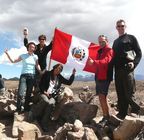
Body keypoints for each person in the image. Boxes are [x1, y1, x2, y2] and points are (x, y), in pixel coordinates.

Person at [29, 63, 76, 132]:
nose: (58, 70)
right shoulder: (47, 73)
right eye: (57, 68)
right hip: (43, 93)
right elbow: (41, 84)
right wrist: (44, 92)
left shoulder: (59, 77)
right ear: (54, 68)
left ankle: (44, 122)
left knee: (50, 104)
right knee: (45, 101)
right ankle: (33, 114)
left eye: (60, 70)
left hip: (53, 96)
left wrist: (73, 74)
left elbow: (69, 82)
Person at [112, 19, 142, 119]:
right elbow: (113, 57)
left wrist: (134, 63)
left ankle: (135, 111)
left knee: (129, 93)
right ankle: (122, 113)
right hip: (117, 71)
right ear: (116, 28)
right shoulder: (115, 42)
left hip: (128, 70)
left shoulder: (131, 38)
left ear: (125, 26)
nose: (121, 28)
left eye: (122, 26)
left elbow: (139, 53)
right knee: (120, 93)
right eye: (119, 26)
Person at [5, 42, 42, 113]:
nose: (32, 48)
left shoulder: (35, 56)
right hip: (24, 76)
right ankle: (18, 108)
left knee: (28, 93)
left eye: (33, 47)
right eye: (31, 46)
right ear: (28, 48)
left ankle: (26, 108)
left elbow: (37, 65)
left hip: (32, 76)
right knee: (21, 93)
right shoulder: (23, 56)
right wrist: (7, 54)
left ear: (34, 49)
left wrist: (40, 71)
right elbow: (13, 61)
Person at [88, 35, 114, 126]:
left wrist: (94, 62)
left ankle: (106, 117)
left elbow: (106, 60)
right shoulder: (100, 51)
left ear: (107, 41)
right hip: (99, 76)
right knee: (102, 97)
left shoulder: (109, 50)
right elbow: (99, 64)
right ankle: (107, 116)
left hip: (105, 77)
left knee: (102, 97)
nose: (101, 43)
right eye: (100, 42)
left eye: (103, 41)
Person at [23, 29, 52, 93]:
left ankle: (42, 94)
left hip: (43, 68)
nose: (42, 40)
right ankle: (35, 96)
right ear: (39, 40)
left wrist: (54, 38)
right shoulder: (35, 47)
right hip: (35, 67)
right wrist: (25, 36)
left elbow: (52, 45)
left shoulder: (46, 48)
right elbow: (27, 45)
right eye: (40, 39)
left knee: (43, 82)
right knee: (35, 82)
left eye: (43, 39)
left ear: (45, 40)